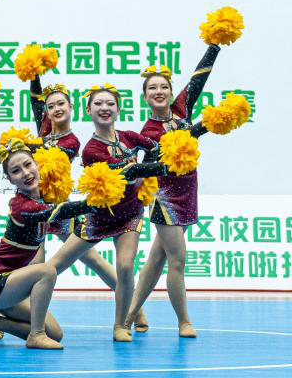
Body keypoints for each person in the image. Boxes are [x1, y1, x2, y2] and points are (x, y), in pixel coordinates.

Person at [43, 86, 166, 342]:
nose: (104, 108)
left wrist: (148, 168)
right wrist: (143, 171)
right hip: (97, 219)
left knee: (125, 266)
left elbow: (155, 147)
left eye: (110, 103)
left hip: (130, 214)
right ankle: (21, 309)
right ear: (89, 110)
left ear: (118, 109)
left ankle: (121, 325)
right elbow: (124, 174)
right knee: (52, 267)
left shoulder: (129, 137)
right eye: (98, 104)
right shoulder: (91, 150)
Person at [23, 78, 142, 327]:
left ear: (71, 108)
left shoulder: (72, 142)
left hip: (59, 209)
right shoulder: (44, 132)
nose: (56, 109)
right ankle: (21, 318)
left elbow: (48, 160)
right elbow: (36, 101)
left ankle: (133, 308)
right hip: (34, 209)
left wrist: (28, 147)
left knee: (94, 260)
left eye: (61, 104)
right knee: (33, 264)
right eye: (51, 106)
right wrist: (34, 74)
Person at [125, 46, 220, 339]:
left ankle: (128, 316)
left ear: (171, 91)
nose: (159, 91)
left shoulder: (181, 110)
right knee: (177, 261)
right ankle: (184, 321)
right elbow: (149, 166)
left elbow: (199, 79)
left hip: (188, 193)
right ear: (145, 97)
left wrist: (214, 46)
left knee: (156, 261)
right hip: (165, 200)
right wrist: (205, 125)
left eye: (163, 86)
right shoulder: (149, 131)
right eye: (152, 88)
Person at [0, 139, 94, 349]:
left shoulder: (41, 202)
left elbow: (73, 221)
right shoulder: (22, 206)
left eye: (28, 165)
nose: (25, 173)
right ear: (10, 179)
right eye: (16, 171)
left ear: (37, 165)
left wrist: (104, 212)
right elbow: (60, 211)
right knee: (47, 271)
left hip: (12, 287)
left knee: (55, 333)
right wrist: (92, 203)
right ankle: (36, 335)